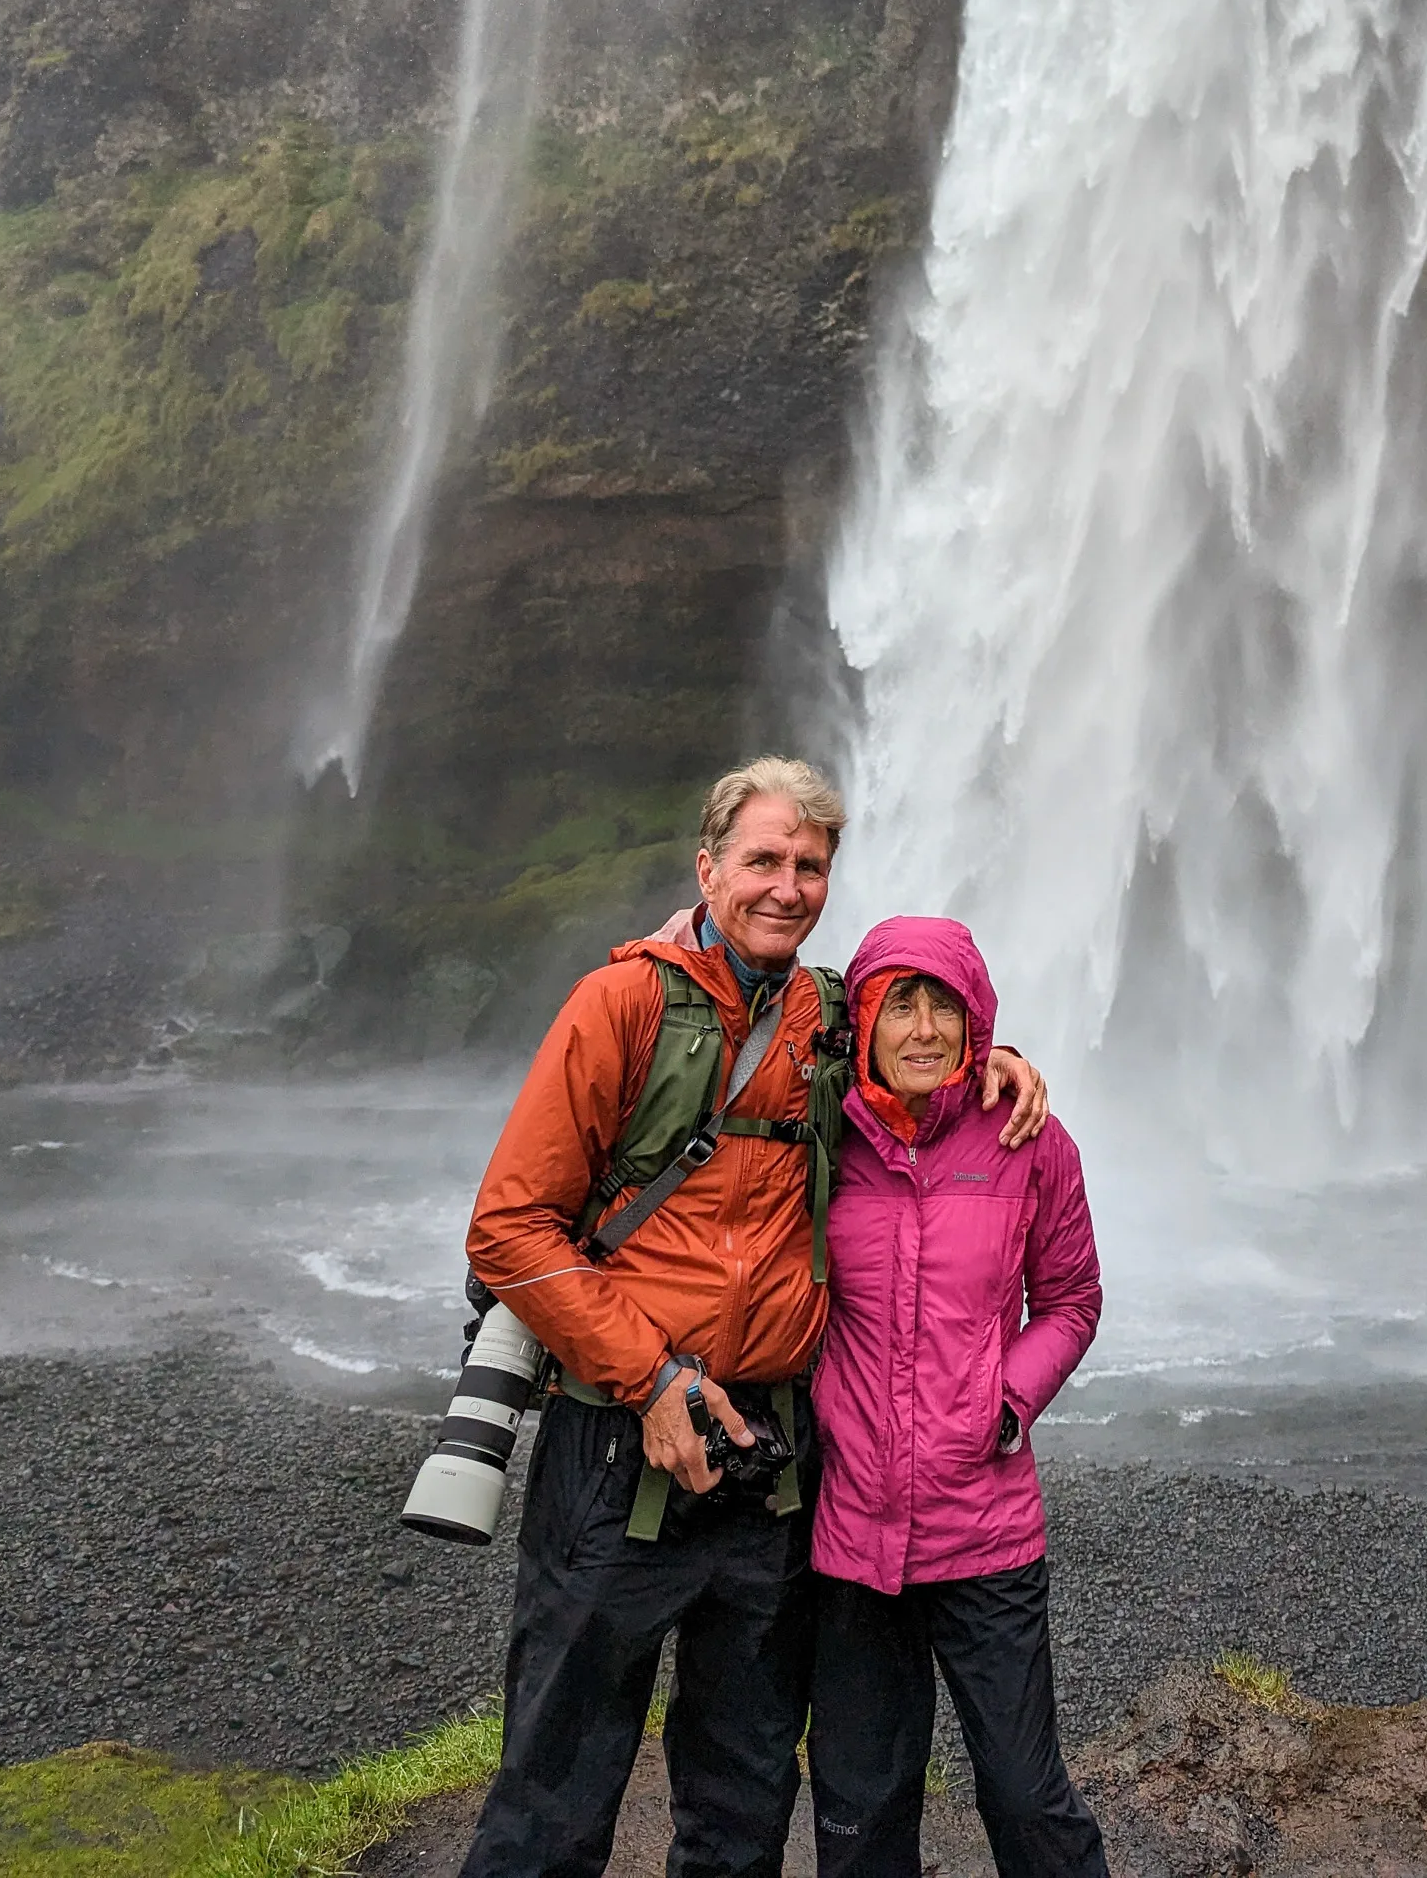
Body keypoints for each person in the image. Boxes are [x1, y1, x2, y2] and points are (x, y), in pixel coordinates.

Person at [453, 760, 1050, 1878]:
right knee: (556, 1785)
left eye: (809, 866)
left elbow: (911, 1047)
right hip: (617, 1455)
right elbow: (509, 1227)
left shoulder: (827, 1016)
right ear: (708, 867)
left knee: (745, 1792)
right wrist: (653, 1380)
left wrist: (997, 1063)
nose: (787, 886)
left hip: (767, 1473)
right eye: (763, 860)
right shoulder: (621, 1004)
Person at [807, 915, 1106, 1878]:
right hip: (850, 1533)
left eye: (945, 1003)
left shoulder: (1029, 1139)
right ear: (862, 1018)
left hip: (984, 1529)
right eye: (900, 1003)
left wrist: (1005, 1404)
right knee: (859, 1806)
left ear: (977, 1020)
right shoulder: (814, 1134)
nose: (924, 1027)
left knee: (1025, 1796)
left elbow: (1069, 1300)